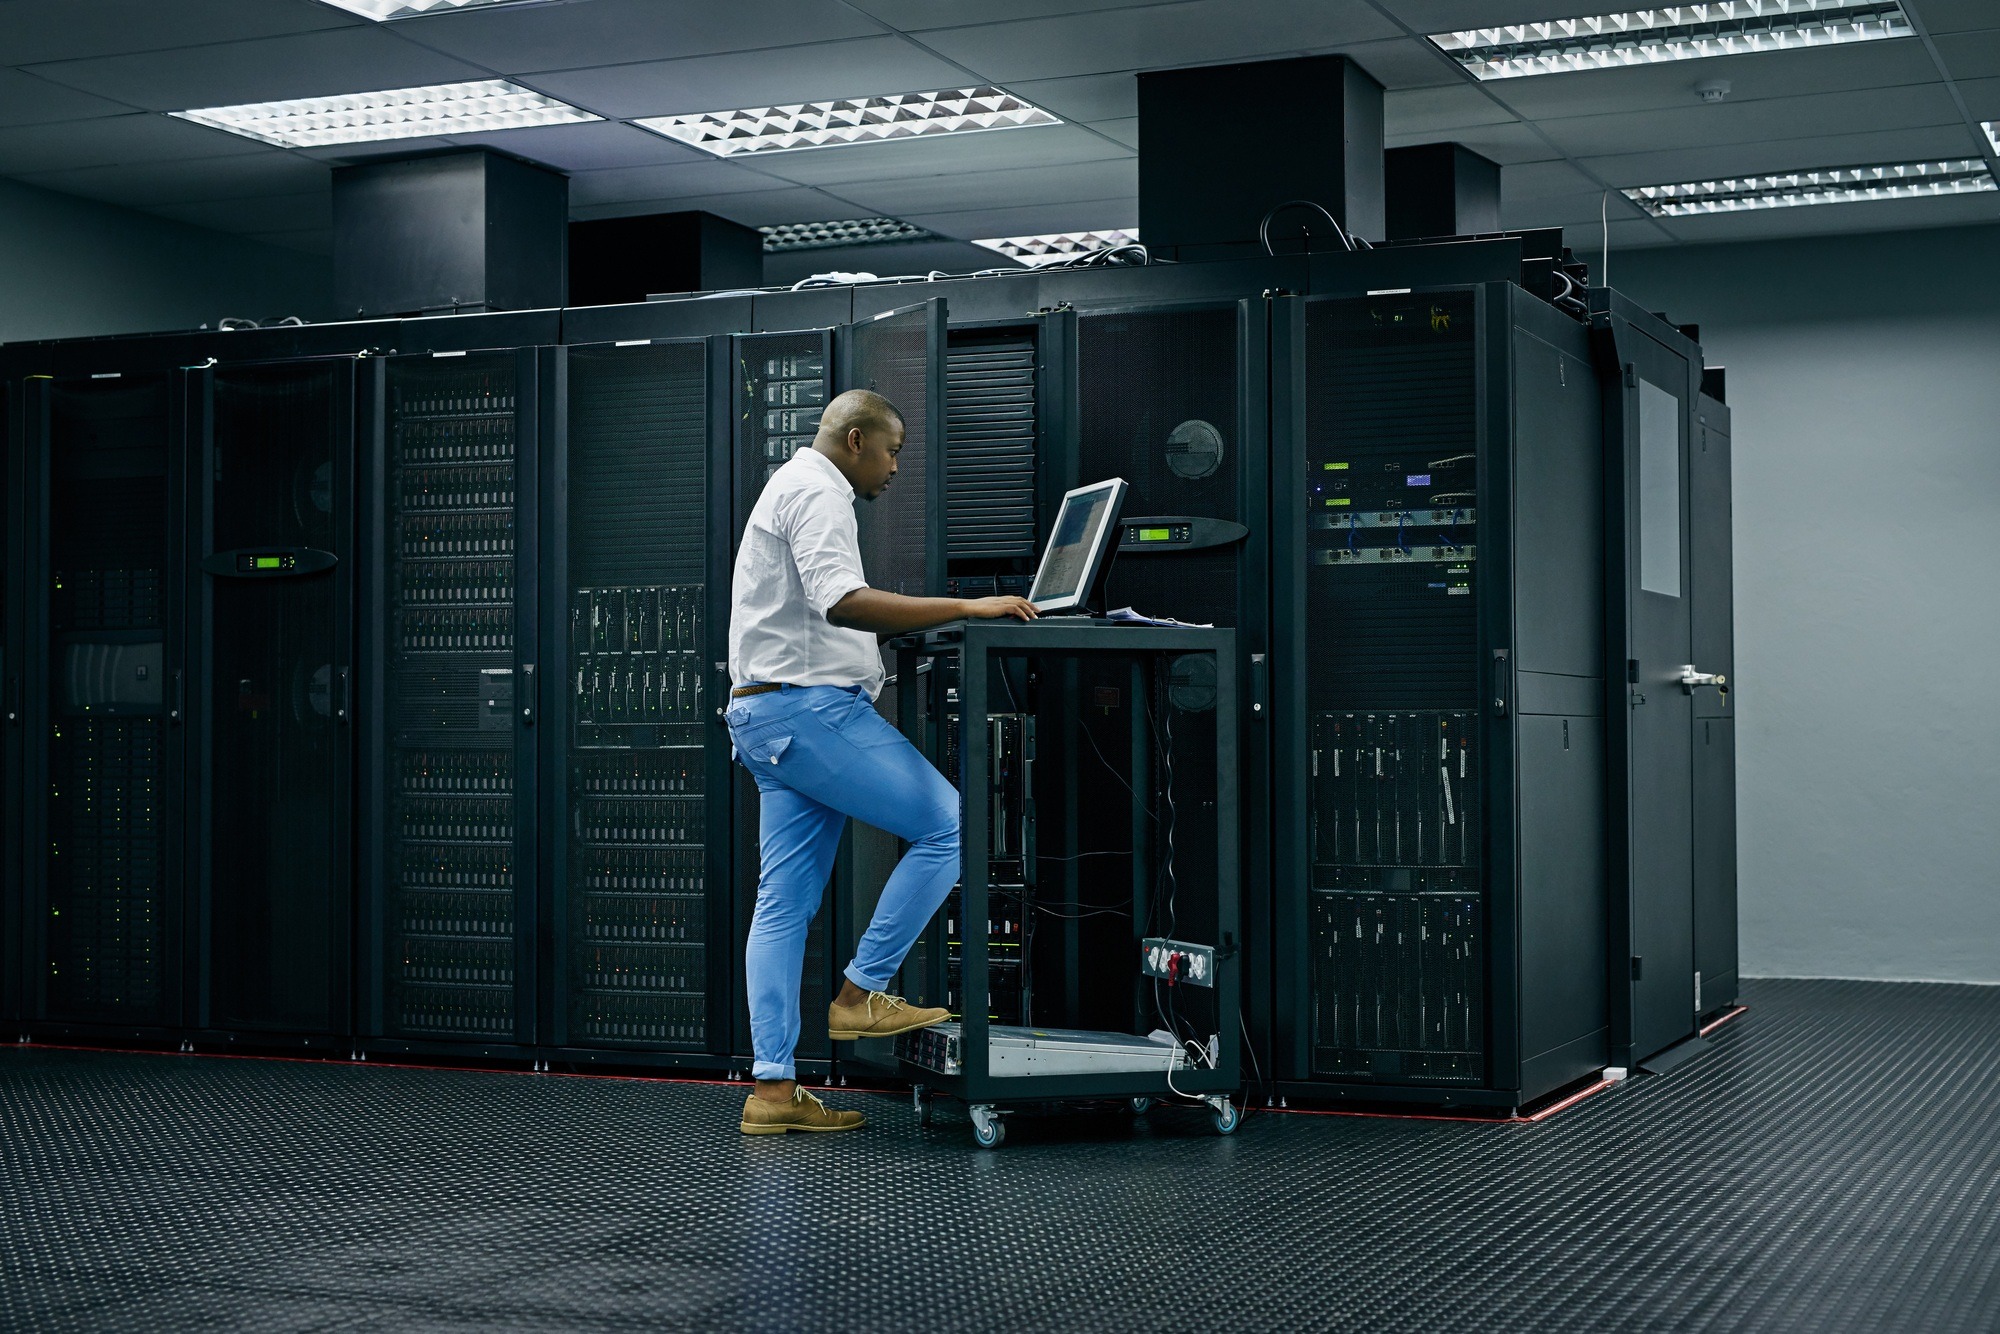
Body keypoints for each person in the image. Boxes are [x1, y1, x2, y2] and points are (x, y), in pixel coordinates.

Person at [726, 388, 1036, 1135]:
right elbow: (844, 602)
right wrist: (970, 606)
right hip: (807, 712)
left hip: (764, 714)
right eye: (894, 450)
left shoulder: (791, 484)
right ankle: (861, 993)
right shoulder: (820, 491)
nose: (897, 467)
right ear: (857, 439)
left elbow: (822, 612)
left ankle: (772, 1093)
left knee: (784, 904)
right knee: (947, 825)